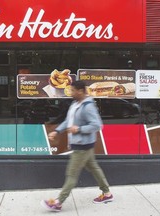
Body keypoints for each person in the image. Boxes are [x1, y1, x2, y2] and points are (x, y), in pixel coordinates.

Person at [41, 80, 113, 212]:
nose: (71, 93)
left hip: (82, 146)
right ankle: (107, 194)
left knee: (71, 175)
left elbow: (97, 125)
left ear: (80, 91)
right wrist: (57, 131)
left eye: (73, 90)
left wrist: (79, 129)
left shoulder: (88, 106)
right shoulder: (75, 104)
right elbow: (69, 121)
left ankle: (58, 202)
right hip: (82, 145)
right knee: (94, 168)